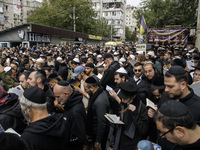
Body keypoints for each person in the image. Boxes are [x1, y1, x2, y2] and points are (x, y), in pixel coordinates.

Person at [109, 82, 149, 150]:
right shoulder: (124, 103)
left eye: (125, 98)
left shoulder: (141, 107)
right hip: (120, 140)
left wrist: (134, 113)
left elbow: (143, 129)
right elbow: (122, 113)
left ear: (133, 96)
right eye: (122, 98)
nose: (122, 100)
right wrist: (119, 118)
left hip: (132, 144)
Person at [53, 81, 86, 150]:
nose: (56, 99)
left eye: (58, 96)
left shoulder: (75, 112)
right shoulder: (70, 103)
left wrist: (63, 140)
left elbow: (79, 138)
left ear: (66, 94)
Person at [84, 75, 110, 150]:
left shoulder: (99, 102)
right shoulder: (98, 92)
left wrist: (98, 141)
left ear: (92, 87)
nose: (85, 91)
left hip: (98, 134)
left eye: (86, 89)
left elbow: (101, 123)